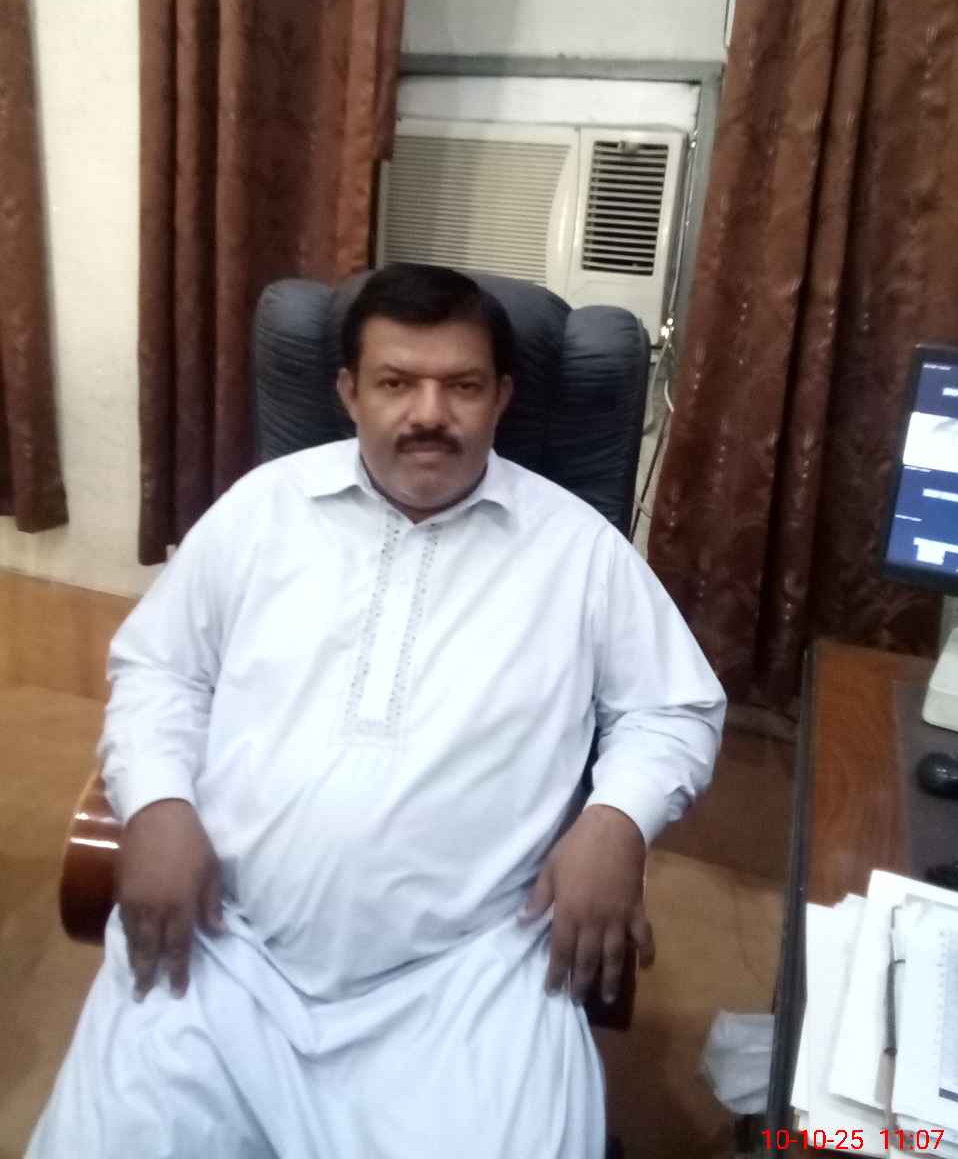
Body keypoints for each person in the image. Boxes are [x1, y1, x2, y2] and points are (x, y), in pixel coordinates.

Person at [29, 264, 725, 1158]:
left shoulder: (579, 550)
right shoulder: (261, 511)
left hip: (469, 980)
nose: (429, 413)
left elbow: (674, 709)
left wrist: (616, 821)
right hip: (223, 945)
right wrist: (158, 805)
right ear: (349, 392)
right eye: (396, 383)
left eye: (462, 386)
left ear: (502, 397)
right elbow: (161, 669)